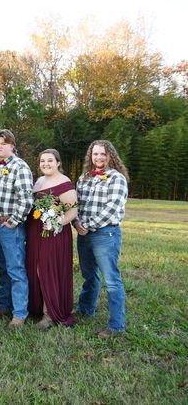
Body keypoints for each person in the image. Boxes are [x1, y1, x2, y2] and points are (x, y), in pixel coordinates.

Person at [73, 140, 129, 338]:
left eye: (103, 154)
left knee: (112, 280)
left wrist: (86, 225)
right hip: (84, 234)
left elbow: (112, 208)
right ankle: (86, 309)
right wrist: (76, 223)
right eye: (95, 154)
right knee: (89, 276)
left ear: (110, 156)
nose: (98, 158)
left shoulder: (117, 178)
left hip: (106, 234)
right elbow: (76, 205)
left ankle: (116, 326)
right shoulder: (84, 178)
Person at [26, 149, 78, 329]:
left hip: (54, 233)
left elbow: (72, 211)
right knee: (34, 269)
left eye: (50, 160)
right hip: (35, 232)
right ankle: (38, 307)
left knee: (47, 270)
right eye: (42, 161)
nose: (46, 164)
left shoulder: (65, 183)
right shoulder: (38, 181)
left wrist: (58, 223)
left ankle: (50, 313)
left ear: (58, 163)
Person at [0, 129, 33, 328]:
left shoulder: (20, 167)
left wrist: (13, 221)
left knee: (15, 270)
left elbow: (26, 199)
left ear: (12, 146)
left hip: (9, 226)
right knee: (2, 268)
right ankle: (4, 305)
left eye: (3, 143)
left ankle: (20, 314)